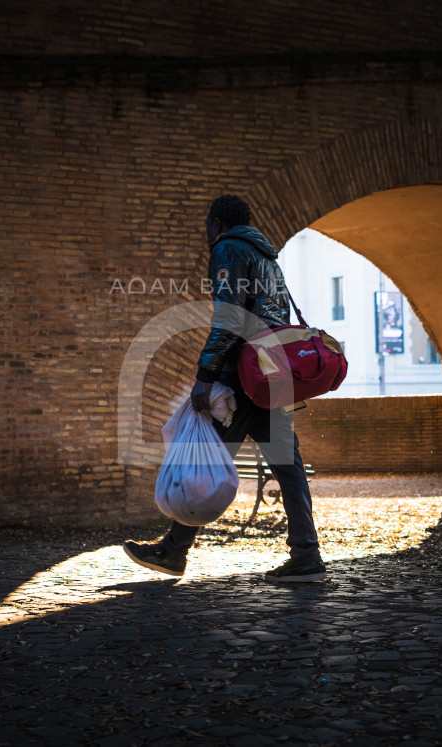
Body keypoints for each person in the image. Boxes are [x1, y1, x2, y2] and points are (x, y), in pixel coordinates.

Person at [123, 194, 325, 583]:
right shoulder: (267, 255)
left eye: (207, 225)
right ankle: (306, 554)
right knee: (288, 465)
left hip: (243, 375)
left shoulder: (229, 247)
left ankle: (173, 551)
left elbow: (230, 317)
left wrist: (206, 373)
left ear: (216, 222)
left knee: (205, 456)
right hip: (273, 371)